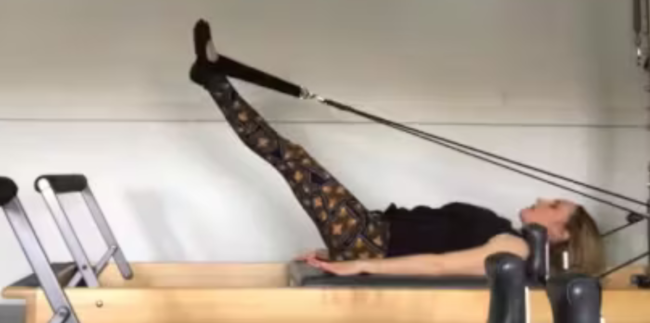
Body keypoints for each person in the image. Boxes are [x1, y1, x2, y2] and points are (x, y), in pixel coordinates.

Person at [189, 21, 605, 277]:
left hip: (370, 240)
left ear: (559, 232)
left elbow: (439, 266)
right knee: (290, 158)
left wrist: (360, 262)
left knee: (290, 158)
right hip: (367, 233)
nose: (543, 198)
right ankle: (212, 79)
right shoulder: (511, 240)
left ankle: (213, 80)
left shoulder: (515, 251)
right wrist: (340, 250)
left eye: (554, 204)